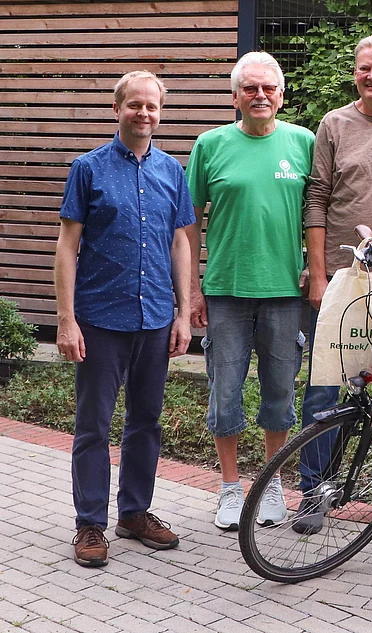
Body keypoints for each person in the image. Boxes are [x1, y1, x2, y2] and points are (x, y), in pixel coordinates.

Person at [55, 70, 194, 567]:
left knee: (146, 422)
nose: (143, 113)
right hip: (99, 321)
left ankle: (134, 513)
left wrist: (183, 312)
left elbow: (180, 242)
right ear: (117, 109)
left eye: (151, 106)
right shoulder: (88, 168)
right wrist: (66, 319)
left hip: (154, 318)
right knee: (93, 425)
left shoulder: (171, 172)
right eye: (134, 105)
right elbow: (68, 245)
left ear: (160, 111)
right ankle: (89, 524)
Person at [293, 34, 372, 535]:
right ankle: (315, 494)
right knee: (327, 386)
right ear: (355, 74)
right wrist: (320, 273)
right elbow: (318, 198)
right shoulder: (334, 124)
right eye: (364, 68)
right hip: (342, 280)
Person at [186, 51, 315, 531]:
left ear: (282, 94)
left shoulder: (303, 142)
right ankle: (229, 487)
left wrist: (315, 266)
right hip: (225, 291)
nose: (260, 96)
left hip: (285, 292)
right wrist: (194, 290)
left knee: (280, 392)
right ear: (235, 95)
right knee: (225, 392)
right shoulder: (211, 144)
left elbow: (317, 214)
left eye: (269, 88)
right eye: (250, 88)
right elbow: (188, 222)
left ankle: (271, 484)